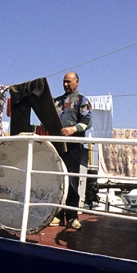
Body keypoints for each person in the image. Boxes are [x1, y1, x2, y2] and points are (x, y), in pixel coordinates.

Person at [51, 71, 92, 229]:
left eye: (69, 81)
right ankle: (57, 215)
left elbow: (87, 120)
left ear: (77, 82)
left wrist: (73, 129)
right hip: (57, 144)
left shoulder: (82, 100)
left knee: (72, 180)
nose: (66, 84)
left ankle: (72, 217)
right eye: (64, 81)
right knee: (57, 180)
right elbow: (50, 118)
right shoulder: (57, 101)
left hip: (74, 145)